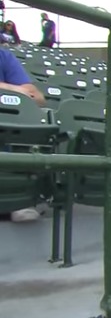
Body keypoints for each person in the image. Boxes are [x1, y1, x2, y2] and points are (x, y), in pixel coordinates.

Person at [0, 47, 45, 222]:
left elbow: (37, 97)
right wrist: (12, 88)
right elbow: (22, 92)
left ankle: (13, 199)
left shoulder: (4, 56)